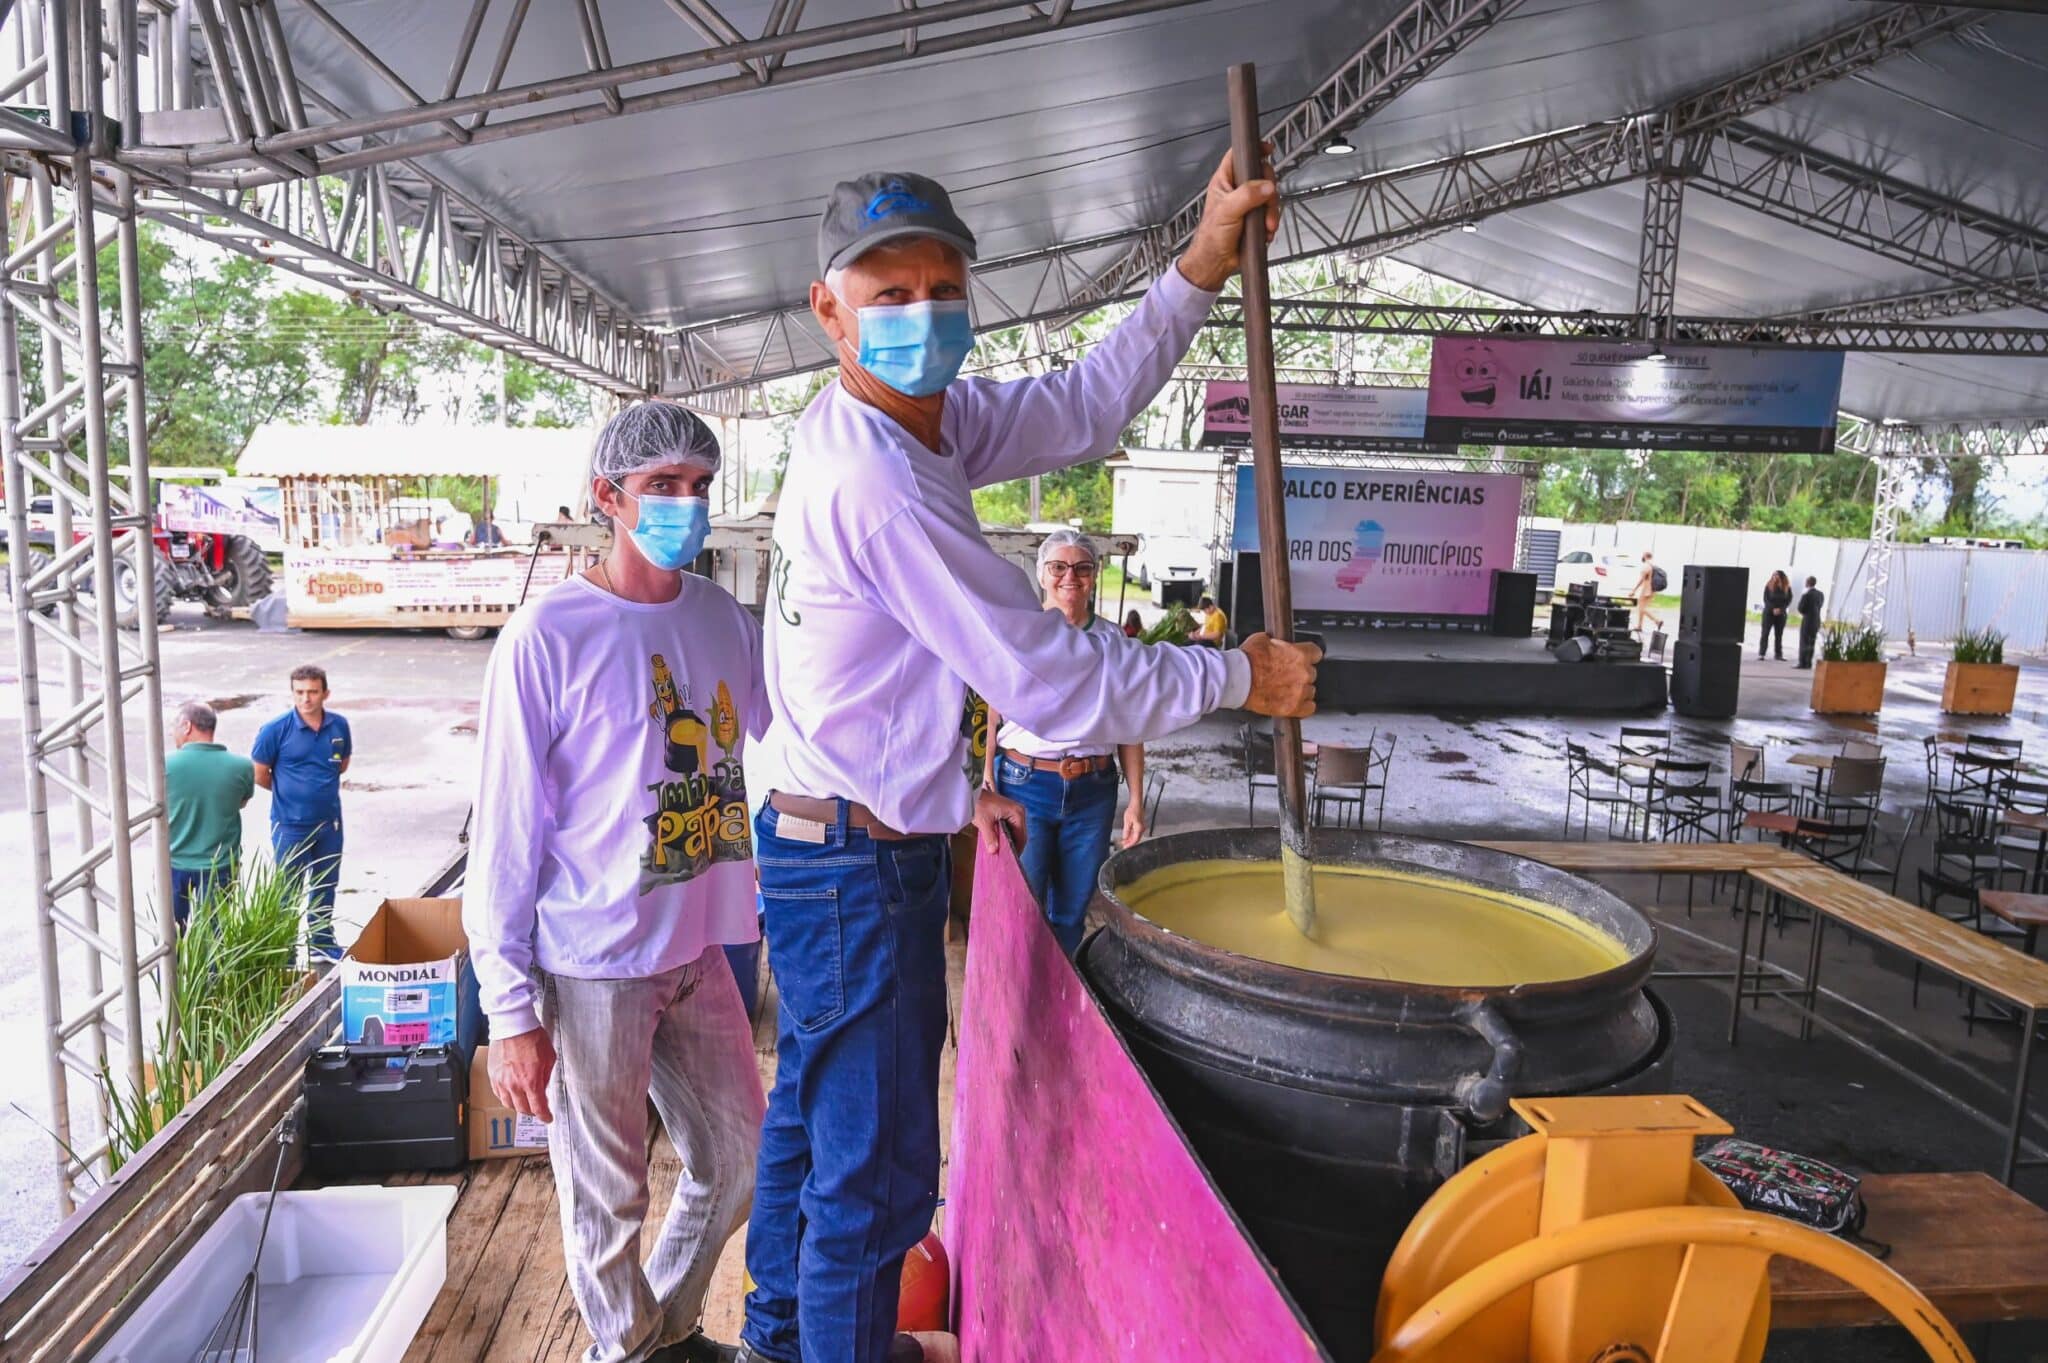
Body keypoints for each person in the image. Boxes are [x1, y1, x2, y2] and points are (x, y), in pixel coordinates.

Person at [740, 162, 1317, 1363]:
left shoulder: (908, 422)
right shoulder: (882, 479)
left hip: (833, 834)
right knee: (878, 1183)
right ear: (826, 309)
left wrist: (1202, 258)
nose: (922, 311)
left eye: (943, 286)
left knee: (812, 1130)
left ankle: (777, 1343)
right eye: (887, 290)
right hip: (851, 866)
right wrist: (1234, 678)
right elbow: (1046, 679)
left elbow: (1081, 407)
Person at [468, 402, 764, 1363]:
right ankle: (632, 1351)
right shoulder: (546, 635)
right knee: (608, 1199)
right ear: (609, 496)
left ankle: (655, 1337)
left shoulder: (723, 620)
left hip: (697, 950)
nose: (686, 505)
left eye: (698, 487)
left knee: (740, 1160)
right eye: (661, 487)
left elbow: (797, 740)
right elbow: (509, 832)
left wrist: (952, 789)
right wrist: (510, 1010)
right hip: (593, 963)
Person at [983, 531, 1146, 956]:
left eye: (1082, 567)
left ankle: (1060, 1003)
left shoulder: (1114, 642)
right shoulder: (1019, 635)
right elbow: (986, 714)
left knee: (1071, 911)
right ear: (1042, 575)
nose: (1069, 577)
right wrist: (984, 781)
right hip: (1024, 785)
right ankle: (1022, 1004)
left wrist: (1136, 801)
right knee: (1025, 905)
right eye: (1058, 567)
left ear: (1094, 576)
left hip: (1093, 790)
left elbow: (1129, 724)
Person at [252, 664, 351, 959]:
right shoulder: (275, 730)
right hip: (290, 826)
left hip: (329, 823)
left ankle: (321, 941)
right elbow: (260, 774)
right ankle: (285, 949)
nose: (305, 699)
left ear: (325, 693)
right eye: (299, 692)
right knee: (288, 890)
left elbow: (342, 763)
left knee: (325, 883)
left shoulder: (339, 726)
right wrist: (290, 794)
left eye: (312, 692)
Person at [164, 700, 254, 928]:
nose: (172, 733)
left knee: (170, 935)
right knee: (215, 934)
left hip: (173, 863)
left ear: (186, 726)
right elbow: (241, 802)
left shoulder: (164, 764)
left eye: (174, 726)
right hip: (220, 864)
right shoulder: (242, 766)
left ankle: (173, 967)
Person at [1760, 570, 1793, 661]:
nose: (1774, 577)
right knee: (1765, 633)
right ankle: (1762, 653)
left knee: (1779, 635)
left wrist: (1780, 609)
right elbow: (1766, 600)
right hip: (1768, 613)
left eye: (1777, 575)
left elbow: (1788, 601)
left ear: (1782, 577)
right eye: (1773, 575)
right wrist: (1773, 609)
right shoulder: (1768, 586)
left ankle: (1778, 654)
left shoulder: (1787, 588)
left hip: (1781, 614)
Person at [1796, 575, 1826, 668]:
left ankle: (1802, 662)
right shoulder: (1820, 594)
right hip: (1816, 620)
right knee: (1811, 642)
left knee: (1804, 641)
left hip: (1807, 620)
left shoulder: (1806, 595)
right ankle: (1808, 662)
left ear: (1808, 583)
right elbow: (1820, 605)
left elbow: (1801, 609)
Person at [1633, 552, 1663, 637]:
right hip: (1652, 590)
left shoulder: (1646, 566)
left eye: (1642, 555)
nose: (1642, 556)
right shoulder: (1653, 565)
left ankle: (1657, 621)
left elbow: (1642, 580)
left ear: (1645, 556)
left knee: (1642, 608)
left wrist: (1634, 590)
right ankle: (1639, 626)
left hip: (1646, 589)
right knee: (1642, 608)